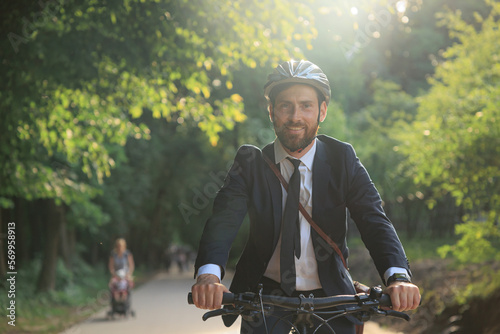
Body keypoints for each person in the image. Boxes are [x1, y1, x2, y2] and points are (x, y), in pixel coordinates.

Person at [191, 60, 421, 334]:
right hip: (265, 296)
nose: (295, 116)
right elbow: (223, 223)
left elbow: (374, 220)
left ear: (322, 111)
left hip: (332, 295)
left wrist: (397, 276)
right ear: (271, 111)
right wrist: (208, 275)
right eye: (285, 105)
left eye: (306, 105)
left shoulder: (342, 159)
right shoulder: (250, 163)